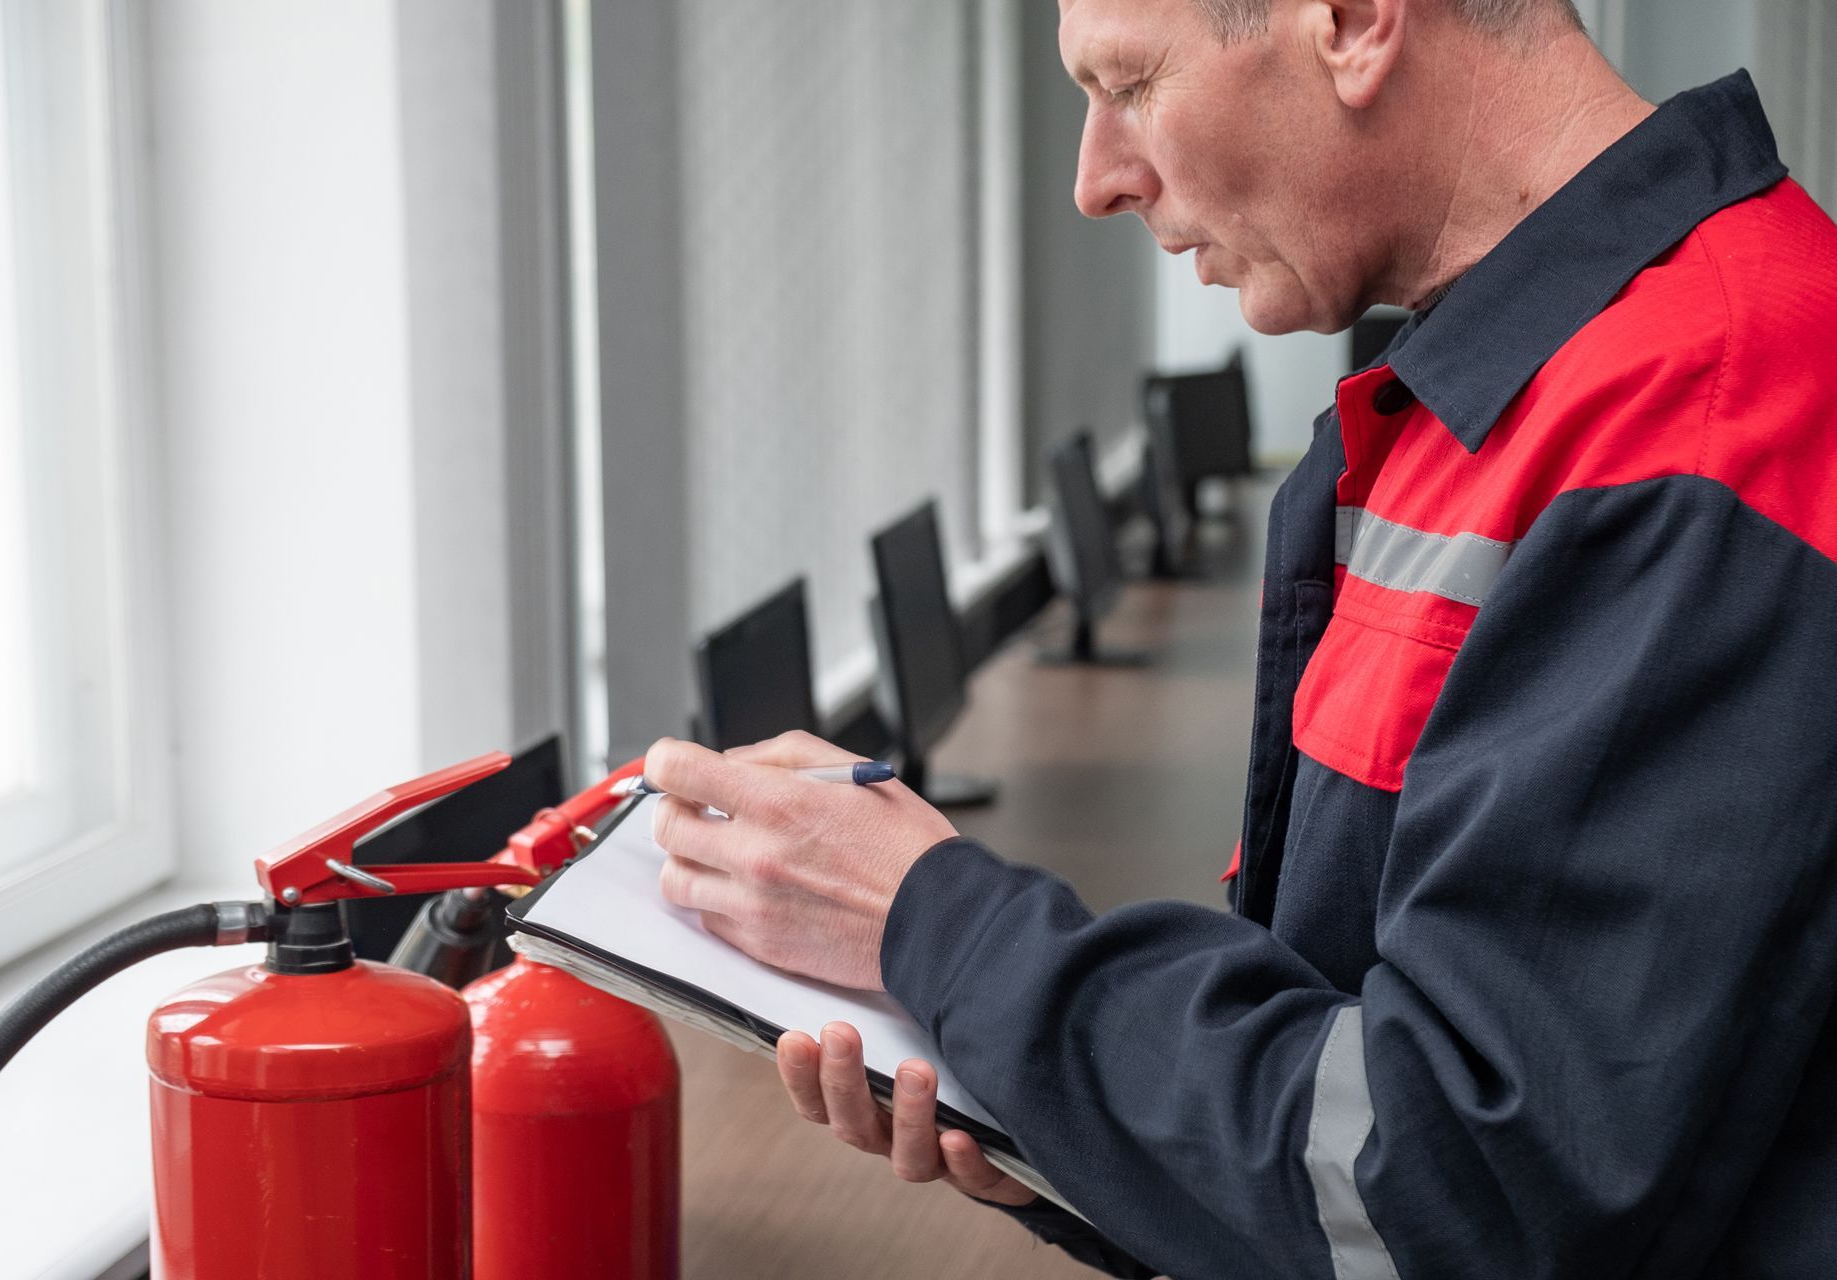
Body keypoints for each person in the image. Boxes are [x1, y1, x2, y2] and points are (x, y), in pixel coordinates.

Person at [645, 0, 1837, 1274]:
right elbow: (1349, 1092)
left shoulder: (1709, 419)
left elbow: (1462, 1193)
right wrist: (1058, 1114)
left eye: (1131, 83)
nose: (1097, 179)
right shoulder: (1476, 398)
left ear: (1354, 21)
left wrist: (945, 931)